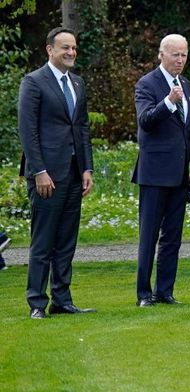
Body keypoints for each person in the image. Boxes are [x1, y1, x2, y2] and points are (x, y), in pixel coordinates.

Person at [18, 27, 95, 319]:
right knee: (44, 241)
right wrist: (39, 170)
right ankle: (37, 302)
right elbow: (28, 131)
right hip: (46, 176)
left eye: (74, 47)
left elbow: (82, 128)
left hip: (74, 174)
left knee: (65, 242)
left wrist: (87, 167)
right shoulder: (33, 82)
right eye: (65, 48)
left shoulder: (77, 84)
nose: (71, 53)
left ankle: (62, 299)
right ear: (50, 50)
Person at [132, 34, 190, 307]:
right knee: (148, 236)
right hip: (153, 173)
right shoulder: (147, 84)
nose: (181, 60)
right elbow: (146, 121)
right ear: (161, 55)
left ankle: (165, 291)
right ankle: (143, 293)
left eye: (184, 54)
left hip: (179, 174)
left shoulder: (186, 84)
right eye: (175, 54)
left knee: (173, 236)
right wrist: (169, 102)